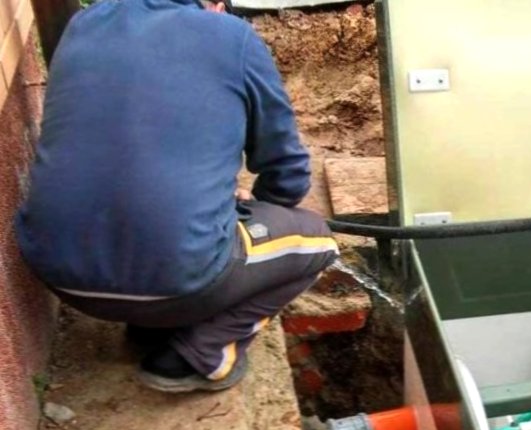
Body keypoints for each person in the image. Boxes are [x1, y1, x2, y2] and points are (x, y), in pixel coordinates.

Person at [16, 0, 338, 392]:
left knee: (155, 218)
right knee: (317, 242)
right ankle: (204, 352)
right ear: (215, 5)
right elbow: (287, 170)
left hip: (59, 274)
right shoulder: (232, 37)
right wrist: (256, 213)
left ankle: (150, 326)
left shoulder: (82, 25)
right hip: (175, 278)